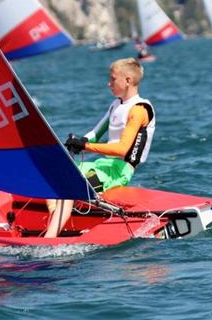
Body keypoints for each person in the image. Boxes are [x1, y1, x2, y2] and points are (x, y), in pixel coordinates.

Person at [45, 58, 155, 238]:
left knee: (71, 184)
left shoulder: (139, 109)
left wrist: (86, 146)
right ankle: (55, 215)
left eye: (113, 79)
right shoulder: (116, 105)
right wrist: (77, 141)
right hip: (101, 165)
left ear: (128, 80)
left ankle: (49, 238)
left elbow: (123, 150)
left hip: (119, 170)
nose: (108, 83)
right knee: (52, 171)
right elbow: (95, 133)